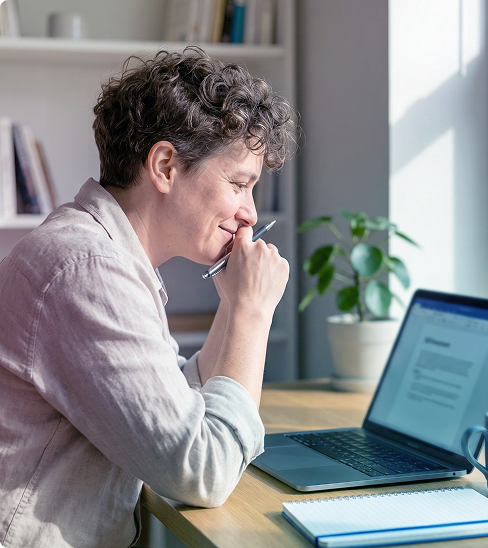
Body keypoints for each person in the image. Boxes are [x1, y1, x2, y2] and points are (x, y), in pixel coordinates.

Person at [0, 47, 295, 548]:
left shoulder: (101, 253)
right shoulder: (87, 271)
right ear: (163, 165)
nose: (249, 212)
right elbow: (202, 472)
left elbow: (169, 401)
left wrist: (231, 304)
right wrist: (252, 312)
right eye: (239, 184)